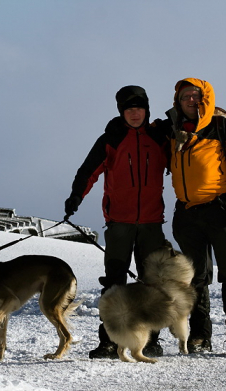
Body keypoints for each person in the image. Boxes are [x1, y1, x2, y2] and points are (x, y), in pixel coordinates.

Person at [64, 85, 168, 359]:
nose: (135, 114)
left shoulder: (159, 138)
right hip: (119, 223)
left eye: (139, 108)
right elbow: (88, 171)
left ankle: (151, 339)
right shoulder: (111, 139)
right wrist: (76, 197)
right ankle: (109, 341)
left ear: (147, 109)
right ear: (121, 111)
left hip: (151, 222)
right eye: (129, 109)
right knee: (114, 284)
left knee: (152, 283)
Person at [164, 77, 226, 357]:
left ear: (206, 98)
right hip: (187, 214)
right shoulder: (172, 130)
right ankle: (200, 336)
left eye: (195, 95)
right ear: (177, 102)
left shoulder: (222, 127)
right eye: (184, 97)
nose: (191, 100)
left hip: (221, 211)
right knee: (196, 278)